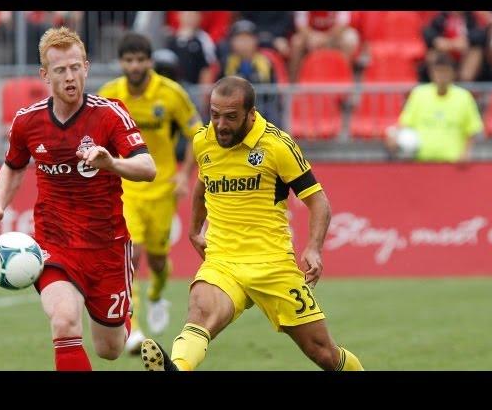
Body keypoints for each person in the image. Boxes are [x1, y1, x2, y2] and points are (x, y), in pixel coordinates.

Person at [140, 76, 364, 371]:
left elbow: (318, 200)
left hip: (272, 265)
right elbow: (202, 184)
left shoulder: (276, 145)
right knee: (200, 312)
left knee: (323, 353)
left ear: (250, 113)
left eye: (230, 117)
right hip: (223, 261)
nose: (220, 125)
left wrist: (313, 247)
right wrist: (194, 230)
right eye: (215, 114)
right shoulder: (203, 141)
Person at [0, 27, 156, 371]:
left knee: (110, 349)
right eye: (60, 70)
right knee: (64, 322)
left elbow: (148, 168)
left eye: (76, 67)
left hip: (107, 247)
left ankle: (123, 323)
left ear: (86, 67)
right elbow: (13, 167)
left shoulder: (109, 114)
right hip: (54, 244)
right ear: (45, 75)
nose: (70, 76)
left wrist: (112, 163)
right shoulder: (27, 121)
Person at [98, 32, 202, 354]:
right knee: (130, 256)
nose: (134, 66)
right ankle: (133, 329)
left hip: (162, 186)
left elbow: (198, 135)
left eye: (140, 60)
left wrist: (185, 176)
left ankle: (157, 294)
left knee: (157, 261)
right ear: (121, 63)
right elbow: (96, 137)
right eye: (128, 60)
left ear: (149, 61)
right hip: (125, 187)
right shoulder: (110, 94)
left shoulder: (170, 94)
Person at [385, 51, 484, 162]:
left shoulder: (464, 97)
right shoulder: (419, 94)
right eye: (438, 72)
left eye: (445, 72)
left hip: (452, 162)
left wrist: (466, 152)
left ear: (453, 73)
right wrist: (394, 136)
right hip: (423, 162)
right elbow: (405, 123)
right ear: (431, 73)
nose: (441, 76)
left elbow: (472, 129)